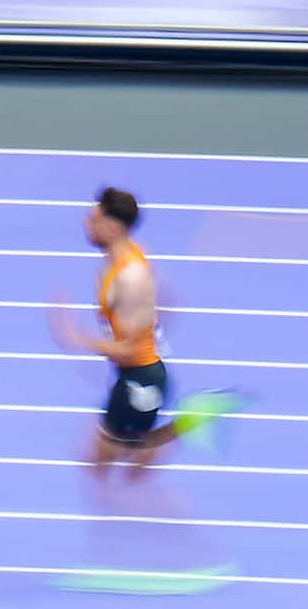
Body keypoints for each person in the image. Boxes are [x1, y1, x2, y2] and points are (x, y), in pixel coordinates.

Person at [51, 187, 241, 496]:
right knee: (115, 458)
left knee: (114, 467)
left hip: (140, 380)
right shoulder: (126, 256)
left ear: (112, 227)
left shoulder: (130, 278)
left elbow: (127, 350)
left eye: (93, 219)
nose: (87, 224)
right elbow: (165, 299)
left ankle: (193, 417)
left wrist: (76, 337)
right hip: (135, 372)